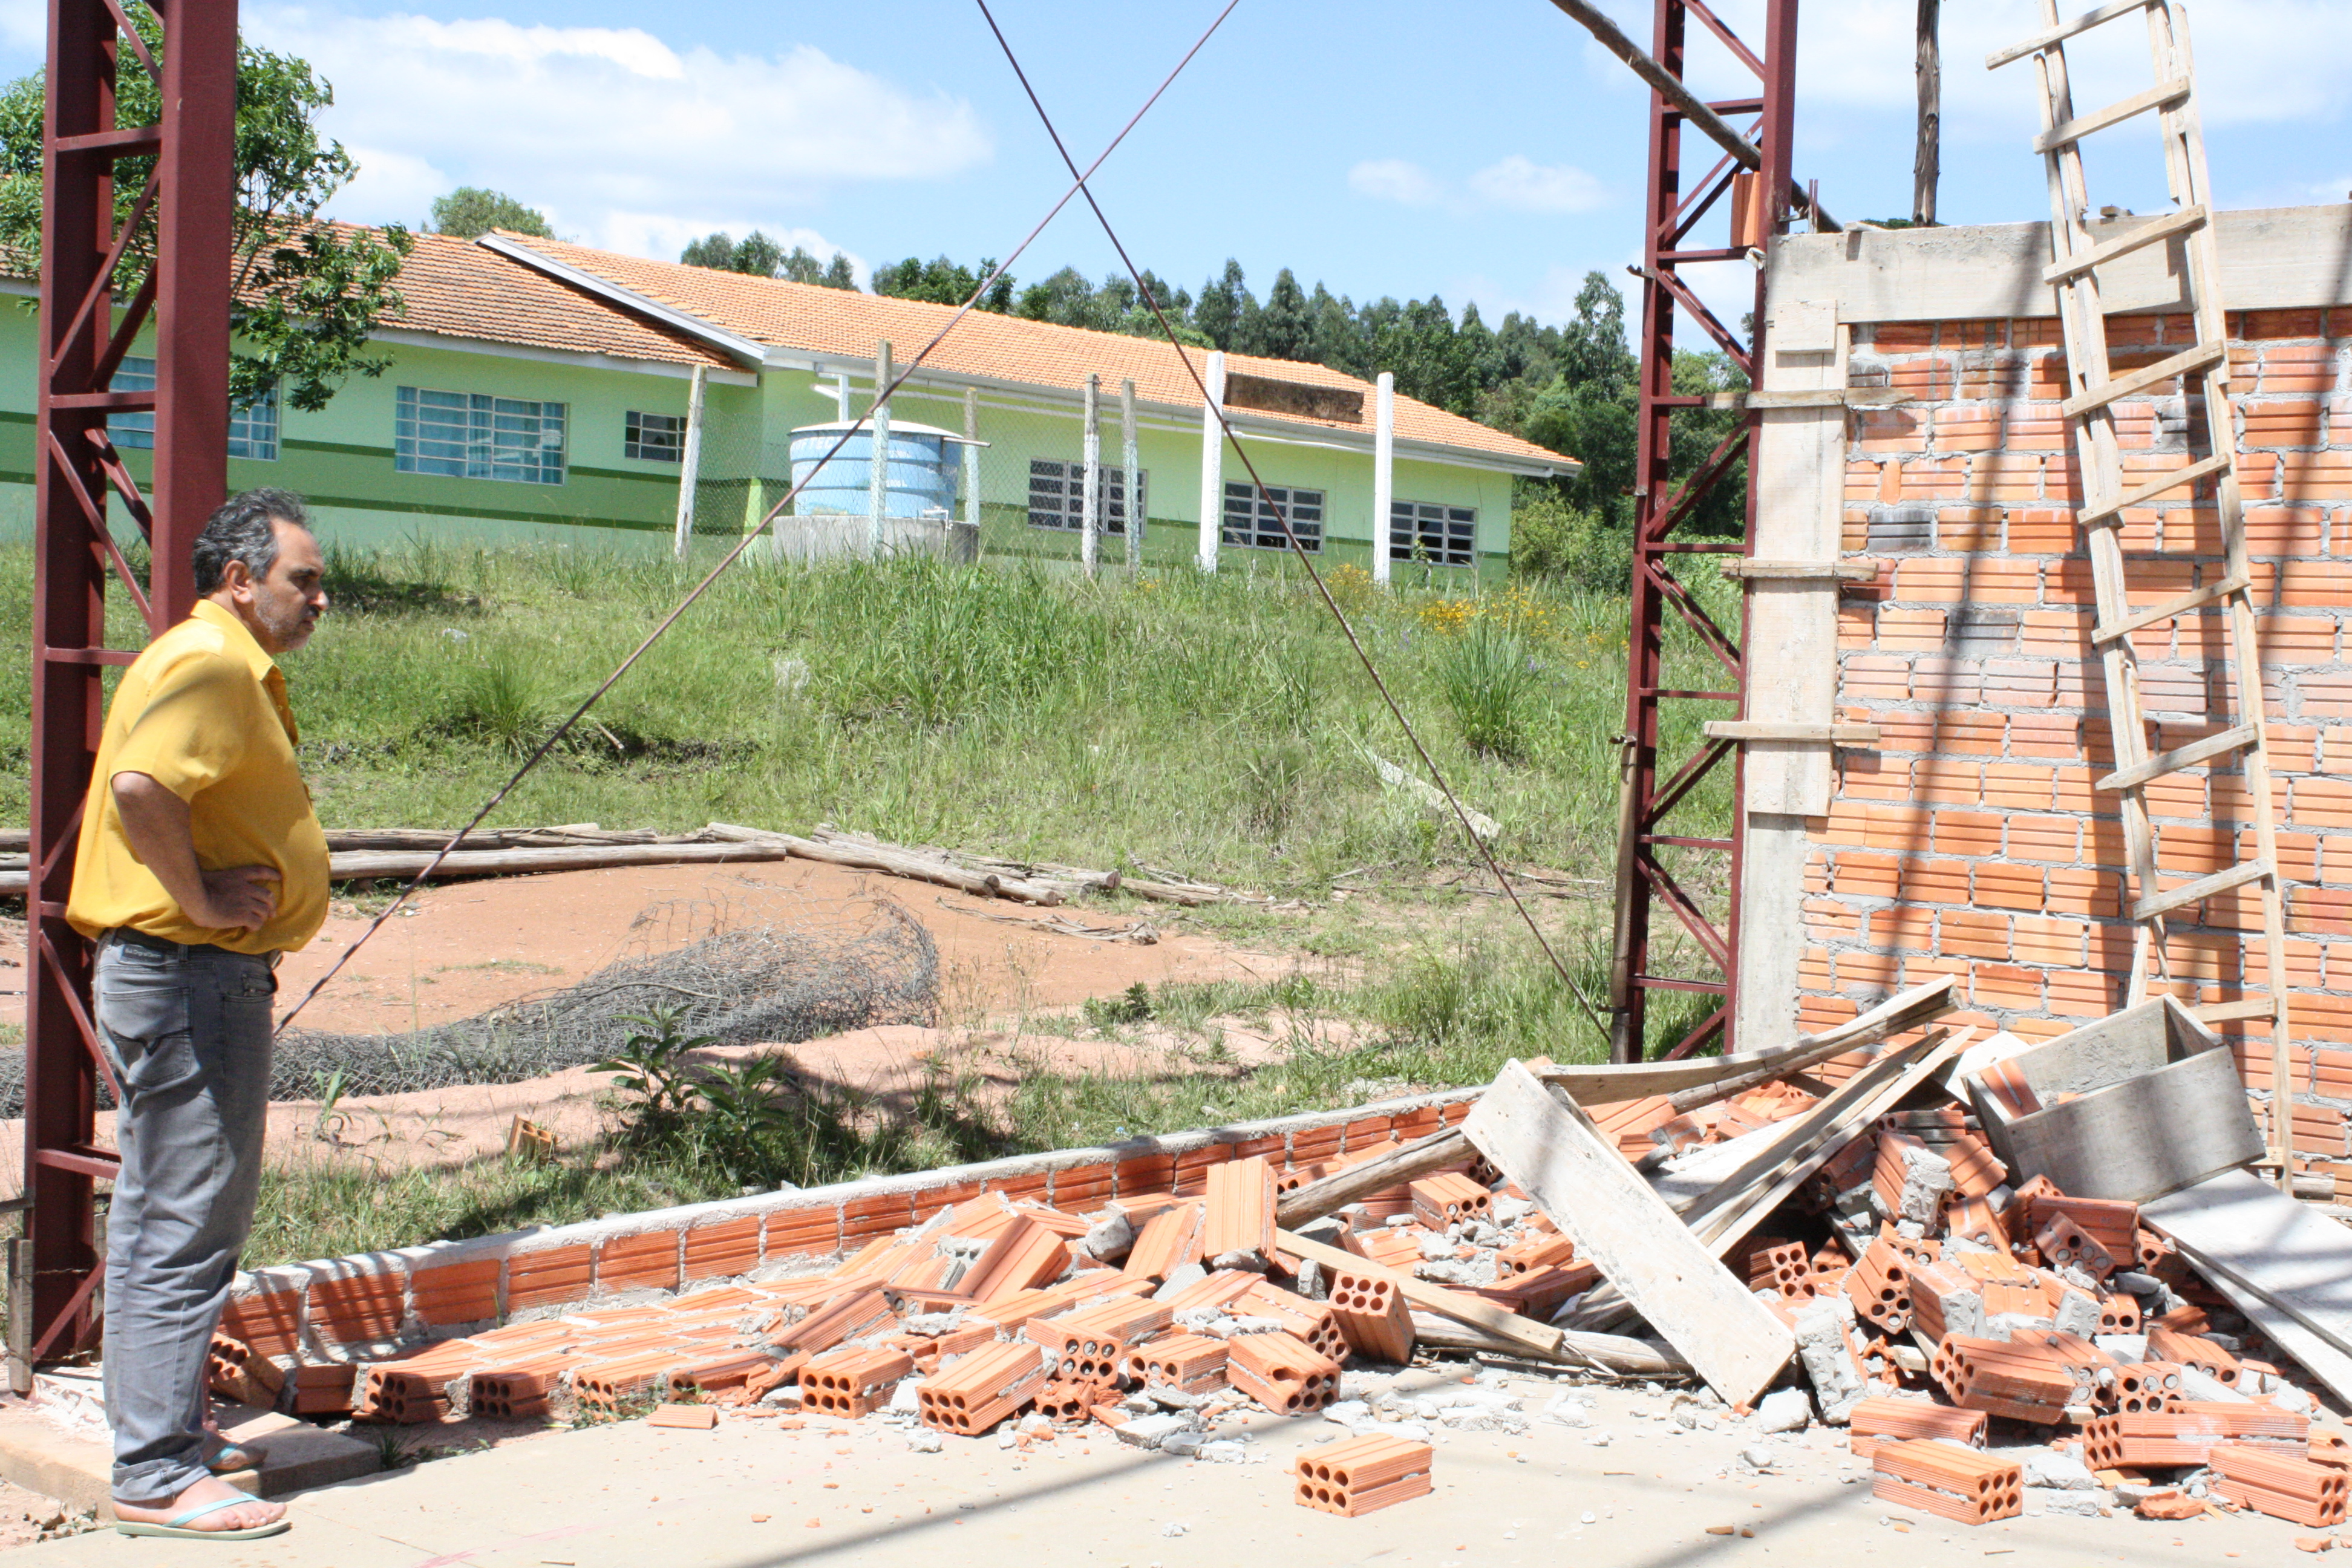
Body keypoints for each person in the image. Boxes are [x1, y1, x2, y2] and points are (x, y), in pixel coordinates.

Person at [65, 488, 331, 1541]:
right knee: (187, 1217)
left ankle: (162, 1430)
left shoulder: (215, 663)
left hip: (185, 976)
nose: (320, 599)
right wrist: (204, 898)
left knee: (161, 1213)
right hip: (187, 973)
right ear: (240, 582)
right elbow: (140, 787)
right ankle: (157, 1472)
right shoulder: (211, 661)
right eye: (302, 580)